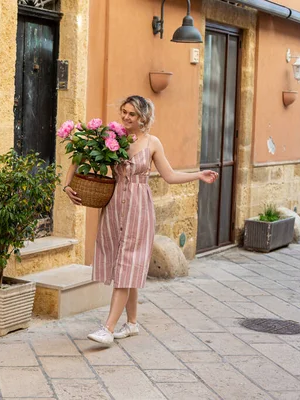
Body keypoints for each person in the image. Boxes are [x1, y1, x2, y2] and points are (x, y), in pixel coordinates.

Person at [62, 95, 218, 344]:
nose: (125, 117)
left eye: (131, 114)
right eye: (123, 111)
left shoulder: (153, 143)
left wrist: (198, 175)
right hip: (113, 209)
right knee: (124, 266)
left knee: (128, 264)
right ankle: (132, 324)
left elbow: (169, 175)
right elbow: (79, 156)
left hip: (139, 210)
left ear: (143, 117)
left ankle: (108, 328)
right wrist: (66, 185)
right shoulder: (112, 138)